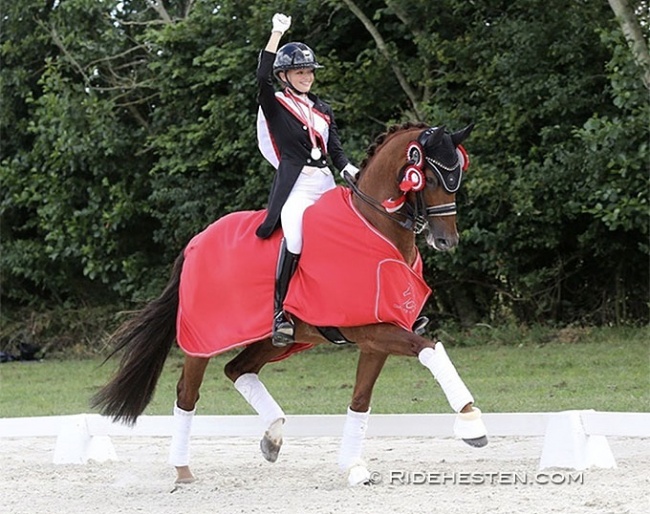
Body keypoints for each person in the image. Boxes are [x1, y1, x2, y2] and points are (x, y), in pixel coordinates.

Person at [255, 13, 359, 347]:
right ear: (284, 75)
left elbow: (337, 150)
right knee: (297, 237)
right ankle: (280, 313)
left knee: (358, 233)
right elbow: (260, 77)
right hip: (297, 186)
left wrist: (349, 170)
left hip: (326, 182)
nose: (307, 77)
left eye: (310, 71)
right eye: (300, 71)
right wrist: (276, 33)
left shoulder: (323, 108)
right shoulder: (276, 105)